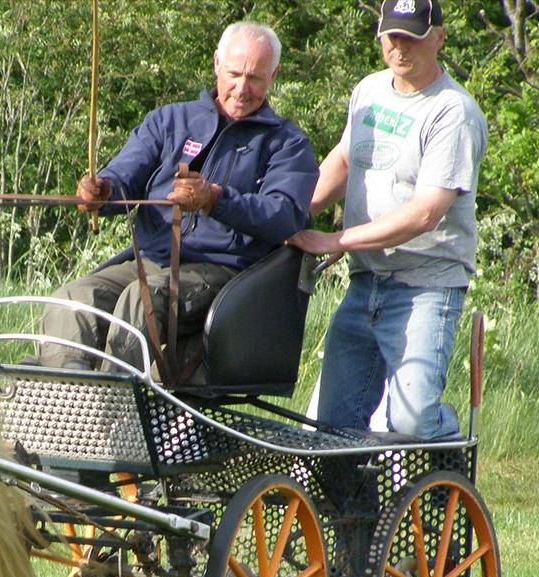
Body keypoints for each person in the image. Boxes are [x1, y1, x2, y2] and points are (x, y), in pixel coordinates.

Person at [37, 21, 318, 376]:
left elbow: (286, 215)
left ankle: (109, 409)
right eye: (233, 74)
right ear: (216, 63)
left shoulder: (288, 143)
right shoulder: (168, 121)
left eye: (255, 78)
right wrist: (102, 192)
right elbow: (125, 176)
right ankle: (63, 400)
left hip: (224, 273)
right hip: (150, 260)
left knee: (143, 301)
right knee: (73, 299)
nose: (241, 88)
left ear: (274, 75)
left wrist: (215, 199)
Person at [290, 0, 487, 438]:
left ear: (438, 37)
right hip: (366, 279)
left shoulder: (452, 112)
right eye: (392, 36)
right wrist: (294, 213)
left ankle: (448, 446)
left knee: (412, 421)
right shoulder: (370, 90)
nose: (400, 48)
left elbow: (425, 214)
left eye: (413, 38)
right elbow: (344, 159)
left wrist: (337, 240)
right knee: (332, 421)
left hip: (425, 284)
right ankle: (352, 506)